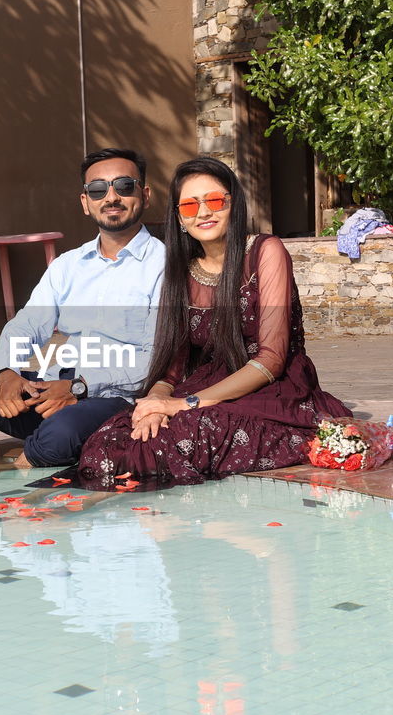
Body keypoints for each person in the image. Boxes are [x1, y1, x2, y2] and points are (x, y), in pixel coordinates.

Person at [78, 157, 351, 489]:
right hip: (209, 388)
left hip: (274, 391)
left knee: (176, 440)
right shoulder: (181, 272)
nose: (203, 213)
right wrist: (154, 404)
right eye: (190, 206)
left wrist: (184, 404)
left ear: (233, 204)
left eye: (215, 201)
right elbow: (172, 369)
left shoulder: (264, 252)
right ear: (179, 218)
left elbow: (271, 359)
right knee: (109, 441)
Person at [0, 148, 165, 480]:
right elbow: (27, 324)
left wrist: (78, 388)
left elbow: (155, 356)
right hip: (55, 388)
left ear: (144, 195)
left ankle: (16, 496)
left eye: (124, 186)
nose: (111, 197)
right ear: (86, 202)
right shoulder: (67, 266)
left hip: (115, 399)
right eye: (98, 189)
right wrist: (6, 373)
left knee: (59, 434)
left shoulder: (164, 265)